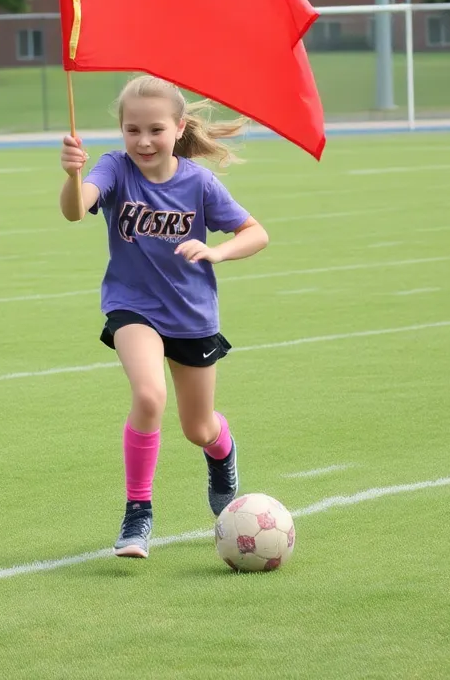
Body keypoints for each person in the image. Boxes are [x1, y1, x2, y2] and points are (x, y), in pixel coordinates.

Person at [58, 74, 269, 558]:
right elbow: (76, 210)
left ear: (178, 128)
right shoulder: (114, 168)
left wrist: (218, 253)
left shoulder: (199, 183)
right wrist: (73, 173)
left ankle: (222, 453)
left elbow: (256, 233)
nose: (143, 140)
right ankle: (138, 512)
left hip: (192, 315)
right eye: (132, 130)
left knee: (198, 428)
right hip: (132, 307)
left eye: (155, 129)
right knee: (149, 395)